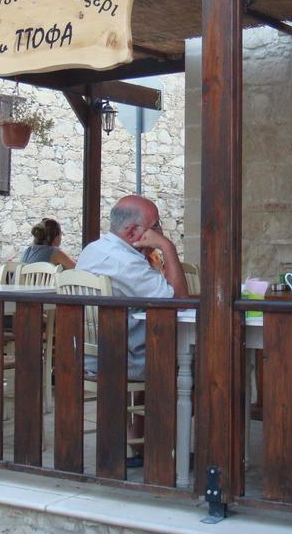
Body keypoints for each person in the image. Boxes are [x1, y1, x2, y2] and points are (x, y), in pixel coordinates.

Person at [76, 195, 188, 465]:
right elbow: (180, 300)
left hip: (95, 354)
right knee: (198, 366)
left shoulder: (94, 249)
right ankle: (165, 450)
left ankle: (143, 442)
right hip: (120, 359)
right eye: (156, 226)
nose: (159, 231)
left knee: (159, 352)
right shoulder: (124, 262)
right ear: (132, 232)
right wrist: (168, 248)